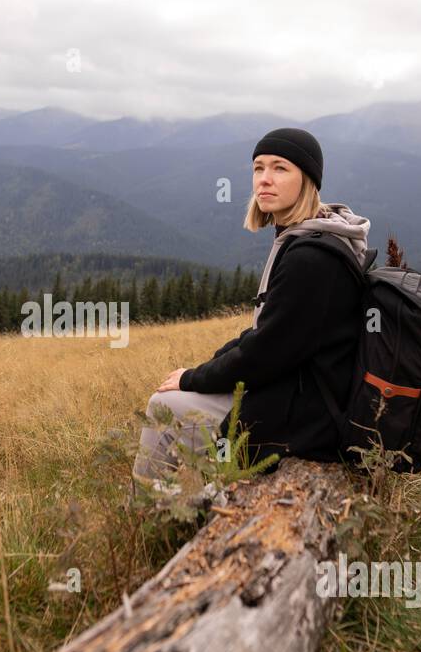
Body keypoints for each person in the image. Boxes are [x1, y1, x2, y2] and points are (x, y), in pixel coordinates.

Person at [132, 127, 370, 486]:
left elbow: (264, 354)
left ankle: (148, 516)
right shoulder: (310, 239)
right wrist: (204, 370)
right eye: (258, 168)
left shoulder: (310, 258)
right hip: (302, 394)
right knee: (187, 395)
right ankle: (194, 501)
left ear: (307, 180)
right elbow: (267, 334)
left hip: (308, 418)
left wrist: (193, 378)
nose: (265, 180)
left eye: (280, 169)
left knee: (164, 406)